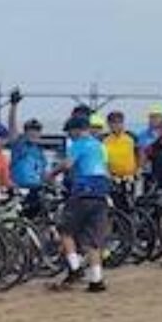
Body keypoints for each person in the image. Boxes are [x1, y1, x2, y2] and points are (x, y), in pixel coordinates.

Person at [50, 113, 112, 293]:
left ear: (77, 130)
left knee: (65, 230)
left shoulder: (78, 144)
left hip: (83, 192)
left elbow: (67, 165)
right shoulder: (100, 146)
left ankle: (75, 269)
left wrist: (51, 174)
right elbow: (106, 170)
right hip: (101, 193)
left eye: (70, 132)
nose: (69, 136)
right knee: (94, 241)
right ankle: (96, 280)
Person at [102, 110, 139, 190]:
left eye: (119, 122)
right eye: (113, 122)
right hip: (113, 179)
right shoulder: (105, 140)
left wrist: (136, 173)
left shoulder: (132, 138)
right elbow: (103, 161)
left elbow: (138, 155)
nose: (117, 125)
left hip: (129, 178)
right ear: (109, 124)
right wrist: (109, 176)